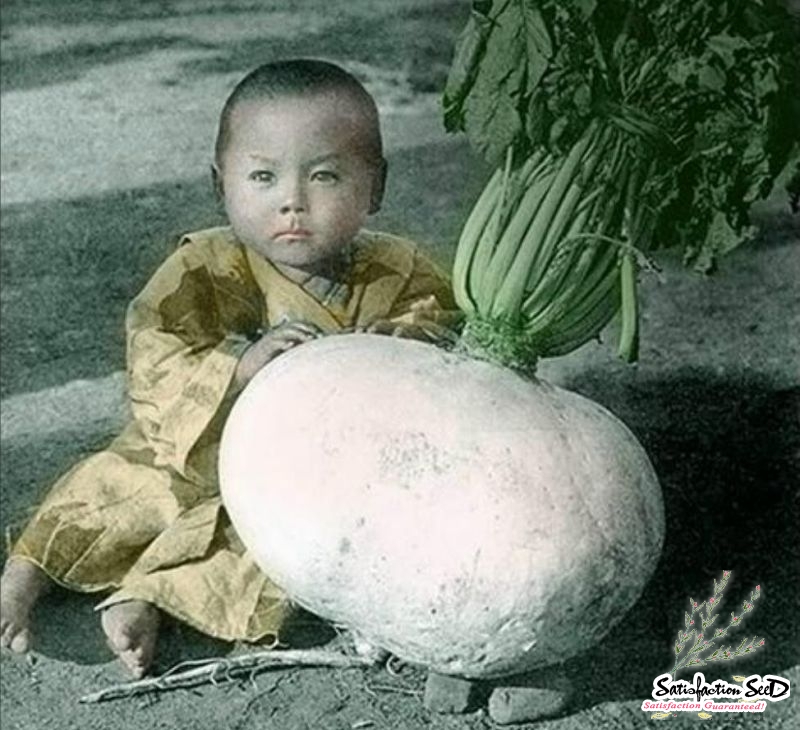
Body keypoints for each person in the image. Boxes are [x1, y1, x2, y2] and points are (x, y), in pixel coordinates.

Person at [0, 59, 460, 677]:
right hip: (195, 448)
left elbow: (442, 335)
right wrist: (237, 367)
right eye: (264, 177)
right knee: (117, 485)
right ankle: (25, 576)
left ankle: (149, 600)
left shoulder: (399, 272)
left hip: (306, 471)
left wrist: (391, 346)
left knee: (273, 548)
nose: (292, 201)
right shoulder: (207, 266)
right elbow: (154, 346)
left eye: (325, 176)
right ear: (221, 186)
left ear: (375, 187)